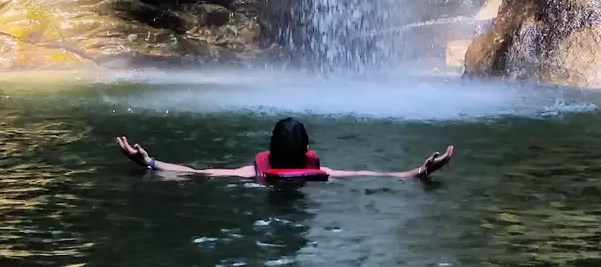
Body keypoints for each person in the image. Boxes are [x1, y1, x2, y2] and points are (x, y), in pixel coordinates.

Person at [117, 116, 453, 182]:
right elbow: (379, 174)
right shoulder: (321, 174)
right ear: (307, 149)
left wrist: (150, 162)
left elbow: (197, 173)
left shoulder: (251, 174)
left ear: (270, 149)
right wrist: (421, 170)